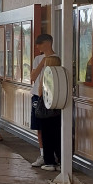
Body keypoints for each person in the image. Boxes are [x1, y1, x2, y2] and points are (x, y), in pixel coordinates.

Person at [28, 34, 56, 167]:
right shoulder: (38, 58)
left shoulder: (57, 58)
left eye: (39, 44)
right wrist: (43, 61)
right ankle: (43, 154)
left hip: (51, 97)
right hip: (36, 96)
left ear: (47, 43)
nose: (37, 47)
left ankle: (52, 156)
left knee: (50, 127)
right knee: (39, 127)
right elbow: (33, 76)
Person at [38, 55, 62, 171]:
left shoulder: (47, 75)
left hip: (47, 109)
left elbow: (40, 92)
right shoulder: (62, 74)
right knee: (58, 136)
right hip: (59, 109)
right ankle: (62, 161)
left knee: (46, 136)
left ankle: (49, 162)